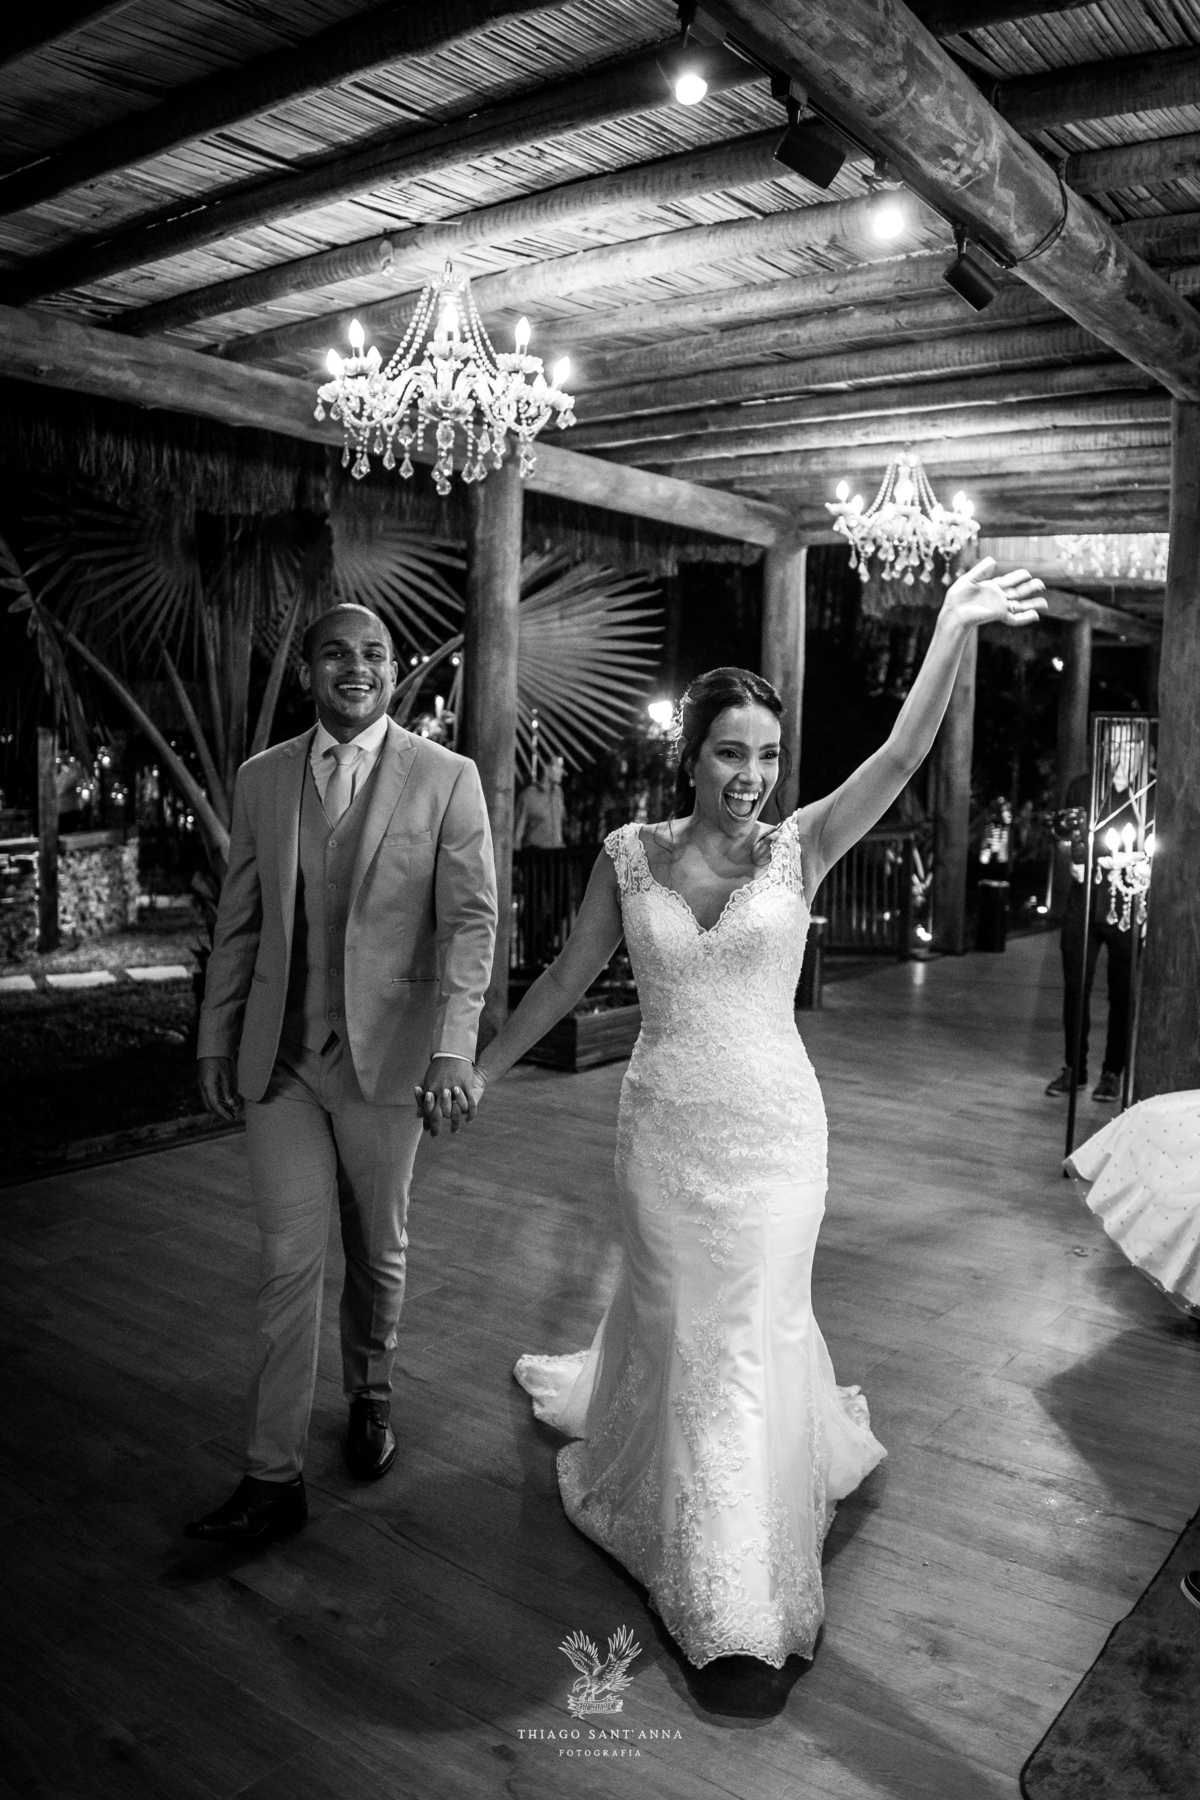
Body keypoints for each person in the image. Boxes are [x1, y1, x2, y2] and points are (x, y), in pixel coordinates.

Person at [438, 558, 1045, 1670]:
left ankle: (740, 1583)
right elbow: (566, 977)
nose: (752, 776)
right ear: (692, 756)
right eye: (730, 752)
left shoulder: (803, 844)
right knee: (680, 1324)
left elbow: (903, 754)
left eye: (767, 755)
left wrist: (953, 625)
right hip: (663, 1138)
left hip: (777, 1138)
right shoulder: (631, 857)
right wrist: (483, 1068)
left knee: (753, 1333)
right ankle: (669, 1510)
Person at [187, 603, 496, 1545]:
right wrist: (214, 1037)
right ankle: (271, 1477)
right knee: (289, 1261)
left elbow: (471, 921)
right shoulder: (263, 777)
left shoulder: (446, 776)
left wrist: (454, 1044)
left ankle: (371, 1392)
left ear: (393, 671)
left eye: (372, 654)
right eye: (335, 653)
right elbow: (240, 920)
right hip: (280, 1062)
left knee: (378, 1246)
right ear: (309, 671)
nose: (354, 667)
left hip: (391, 1059)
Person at [1044, 740, 1143, 1104]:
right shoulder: (1084, 787)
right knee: (1075, 986)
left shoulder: (1150, 792)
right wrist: (1070, 857)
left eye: (1129, 747)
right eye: (1114, 747)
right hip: (1083, 903)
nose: (1120, 756)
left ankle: (1113, 1071)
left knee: (1122, 990)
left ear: (1142, 750)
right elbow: (1065, 833)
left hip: (1127, 903)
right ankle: (1075, 1067)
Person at [514, 753, 566, 849]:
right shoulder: (528, 795)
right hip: (535, 853)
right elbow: (517, 832)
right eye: (558, 767)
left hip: (557, 852)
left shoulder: (558, 793)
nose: (562, 771)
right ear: (546, 768)